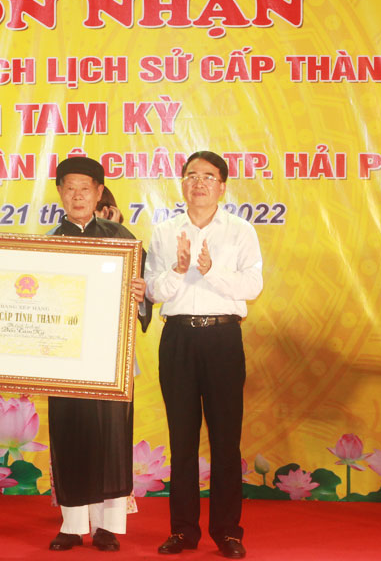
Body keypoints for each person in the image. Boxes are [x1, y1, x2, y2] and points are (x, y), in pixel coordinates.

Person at [144, 151, 263, 560]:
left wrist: (211, 270)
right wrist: (178, 270)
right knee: (182, 440)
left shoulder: (241, 231)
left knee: (226, 440)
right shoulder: (164, 232)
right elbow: (153, 291)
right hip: (178, 338)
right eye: (192, 175)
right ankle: (183, 531)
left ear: (222, 186)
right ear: (182, 183)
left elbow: (252, 286)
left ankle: (227, 532)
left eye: (208, 177)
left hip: (223, 338)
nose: (199, 183)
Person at [46, 156, 149, 553]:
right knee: (69, 434)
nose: (77, 196)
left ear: (99, 192)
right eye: (70, 188)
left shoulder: (123, 239)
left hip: (110, 357)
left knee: (112, 439)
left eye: (85, 189)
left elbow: (143, 294)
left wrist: (141, 296)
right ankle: (72, 525)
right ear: (60, 192)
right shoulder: (47, 244)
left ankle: (108, 526)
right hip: (64, 357)